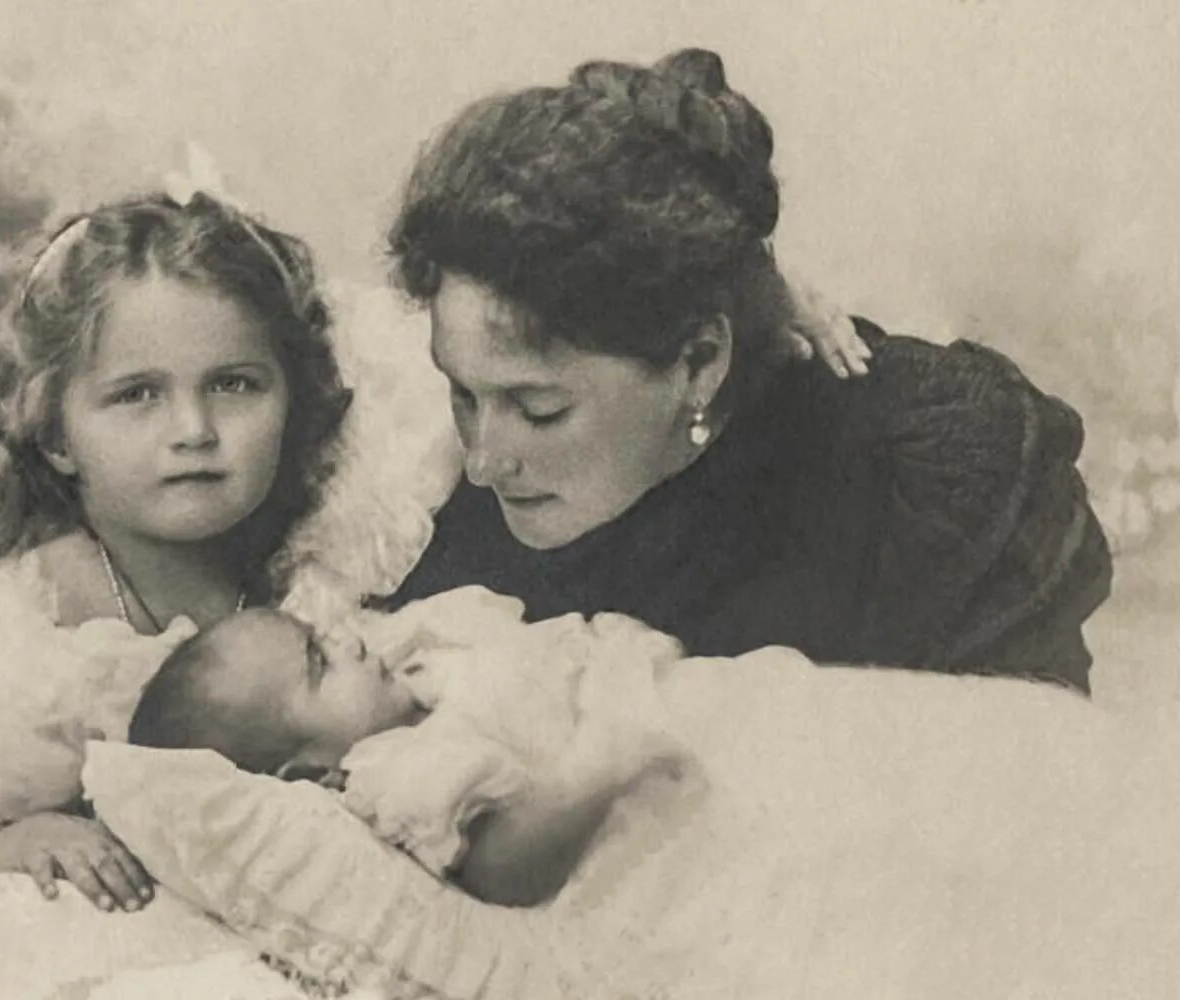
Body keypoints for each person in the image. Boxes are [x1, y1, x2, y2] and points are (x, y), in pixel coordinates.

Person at [383, 47, 1112, 691]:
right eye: (463, 396)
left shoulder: (913, 490)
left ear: (699, 363)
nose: (483, 462)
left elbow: (1036, 788)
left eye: (538, 411)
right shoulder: (445, 511)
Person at [0, 189, 351, 914]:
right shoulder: (22, 629)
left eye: (234, 385)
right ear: (56, 436)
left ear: (292, 402)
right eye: (138, 395)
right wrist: (20, 843)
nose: (194, 429)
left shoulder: (316, 577)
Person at [127, 587, 688, 906]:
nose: (346, 640)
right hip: (644, 783)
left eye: (319, 633)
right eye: (319, 661)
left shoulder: (403, 672)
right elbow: (500, 869)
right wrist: (604, 762)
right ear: (311, 774)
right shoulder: (394, 773)